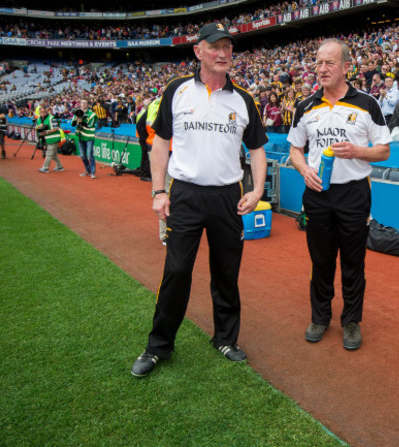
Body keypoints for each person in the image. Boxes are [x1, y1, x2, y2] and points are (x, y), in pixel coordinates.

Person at [131, 23, 268, 377]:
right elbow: (160, 142)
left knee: (226, 273)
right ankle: (158, 346)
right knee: (176, 271)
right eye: (214, 47)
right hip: (186, 194)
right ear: (198, 51)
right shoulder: (175, 91)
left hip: (228, 197)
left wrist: (257, 190)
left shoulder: (244, 99)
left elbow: (257, 149)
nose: (222, 53)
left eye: (227, 47)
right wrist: (159, 191)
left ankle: (225, 338)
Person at [287, 38, 390, 351]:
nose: (321, 69)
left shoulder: (367, 103)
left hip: (354, 194)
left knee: (353, 261)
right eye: (318, 63)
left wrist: (358, 151)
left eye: (329, 63)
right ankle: (320, 317)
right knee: (320, 260)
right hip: (317, 194)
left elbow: (384, 150)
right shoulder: (305, 106)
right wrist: (305, 171)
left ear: (346, 67)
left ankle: (351, 321)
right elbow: (295, 149)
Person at [71, 99, 97, 179]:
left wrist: (82, 121)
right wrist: (76, 121)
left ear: (88, 104)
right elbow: (72, 124)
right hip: (81, 136)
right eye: (82, 103)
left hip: (89, 136)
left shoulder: (92, 114)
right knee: (82, 155)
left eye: (85, 103)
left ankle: (93, 172)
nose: (83, 104)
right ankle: (87, 170)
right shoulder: (77, 113)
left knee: (90, 155)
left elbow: (90, 125)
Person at [36, 105, 64, 173]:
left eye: (44, 111)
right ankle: (59, 166)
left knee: (49, 153)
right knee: (53, 154)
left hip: (54, 138)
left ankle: (45, 168)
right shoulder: (39, 119)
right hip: (46, 139)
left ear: (47, 111)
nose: (42, 113)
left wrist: (46, 132)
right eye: (41, 112)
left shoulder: (52, 118)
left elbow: (56, 128)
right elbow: (37, 128)